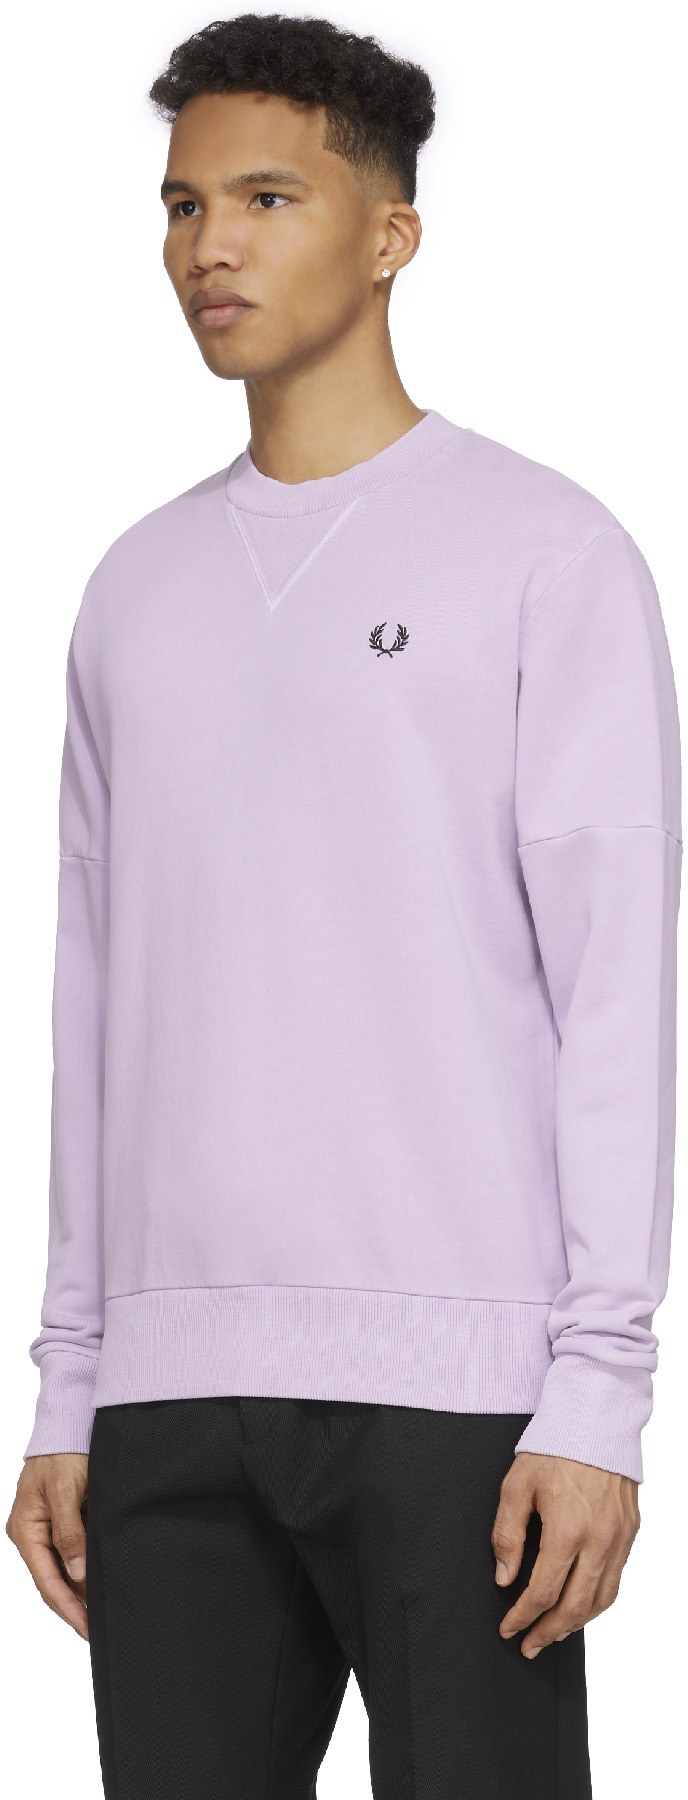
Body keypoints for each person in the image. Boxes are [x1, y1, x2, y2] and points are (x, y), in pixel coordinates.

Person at [6, 13, 682, 1798]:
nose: (207, 246)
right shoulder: (131, 589)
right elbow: (93, 1004)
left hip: (465, 1402)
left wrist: (598, 1392)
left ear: (392, 235)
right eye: (181, 205)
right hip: (165, 1400)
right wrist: (70, 1383)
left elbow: (617, 996)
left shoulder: (547, 554)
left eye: (264, 197)